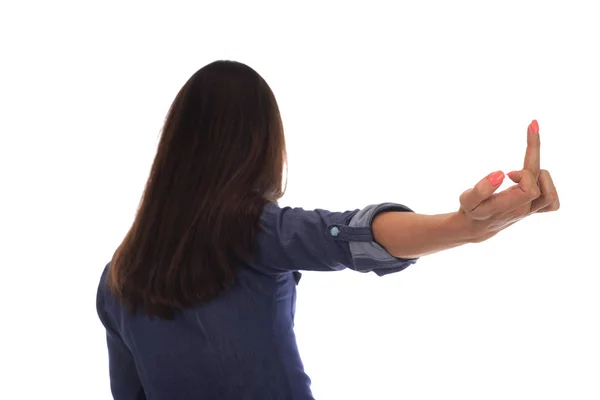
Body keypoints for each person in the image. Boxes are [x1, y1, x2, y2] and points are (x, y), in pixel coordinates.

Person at [96, 60, 560, 400]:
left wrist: (464, 227)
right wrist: (461, 226)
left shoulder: (118, 277)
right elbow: (349, 235)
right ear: (261, 145)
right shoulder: (254, 230)